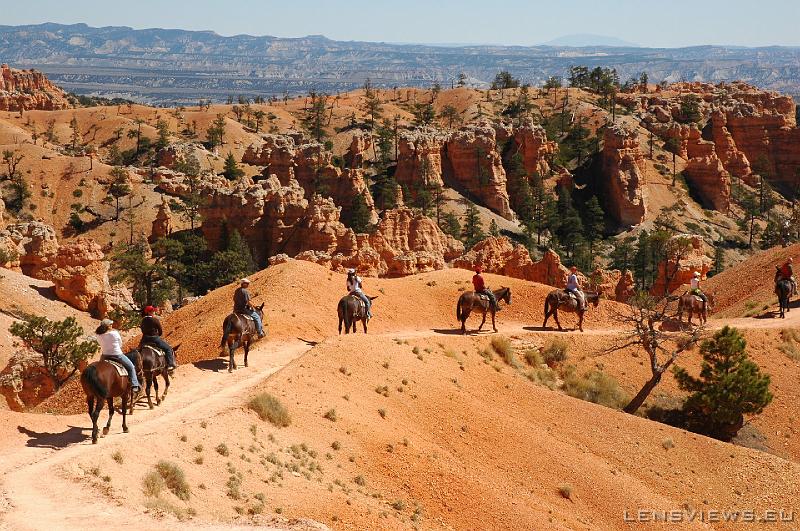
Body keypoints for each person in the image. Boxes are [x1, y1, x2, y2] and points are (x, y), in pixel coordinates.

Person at [96, 318, 140, 393]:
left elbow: (100, 344)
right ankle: (135, 384)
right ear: (108, 326)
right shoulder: (114, 333)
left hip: (105, 355)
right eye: (111, 324)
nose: (112, 325)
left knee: (97, 370)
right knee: (131, 367)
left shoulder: (99, 335)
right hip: (117, 355)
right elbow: (120, 343)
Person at [140, 305, 177, 371]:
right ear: (149, 312)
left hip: (144, 339)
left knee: (138, 350)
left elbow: (142, 330)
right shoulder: (155, 320)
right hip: (154, 339)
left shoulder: (143, 320)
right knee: (168, 348)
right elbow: (160, 330)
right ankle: (170, 364)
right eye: (153, 311)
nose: (154, 312)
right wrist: (158, 335)